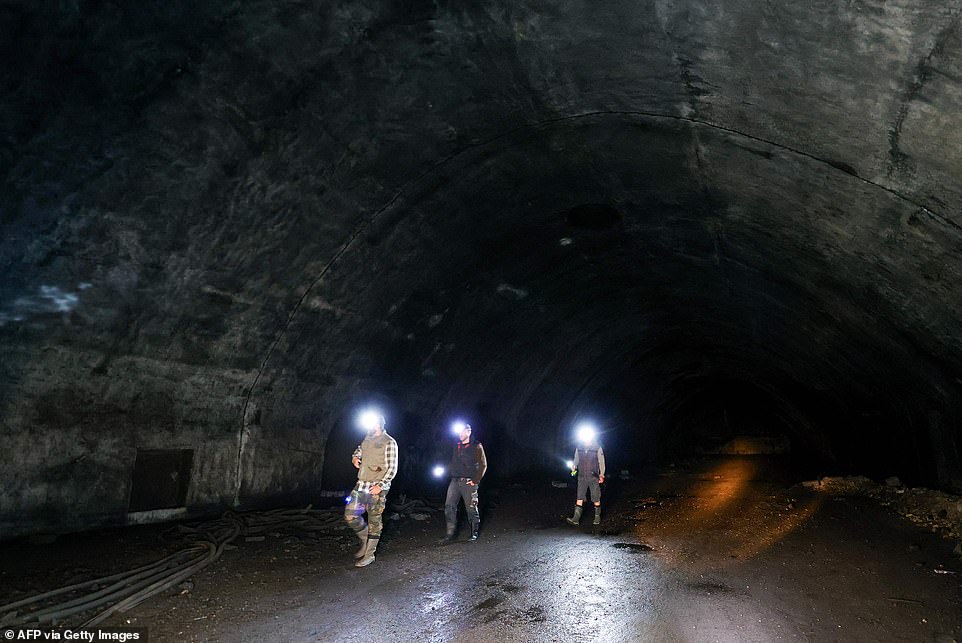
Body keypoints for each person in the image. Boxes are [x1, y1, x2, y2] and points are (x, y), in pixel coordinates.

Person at [345, 413, 398, 567]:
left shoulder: (389, 442)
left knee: (374, 520)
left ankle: (369, 555)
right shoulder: (367, 438)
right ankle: (364, 539)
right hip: (362, 484)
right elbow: (359, 450)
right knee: (350, 515)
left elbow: (392, 469)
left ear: (378, 425)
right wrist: (355, 457)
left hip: (377, 487)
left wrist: (380, 486)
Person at [439, 422, 487, 544]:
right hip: (455, 481)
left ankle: (474, 533)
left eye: (462, 431)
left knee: (471, 507)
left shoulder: (476, 446)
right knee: (449, 506)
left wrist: (476, 480)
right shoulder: (457, 445)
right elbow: (453, 461)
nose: (459, 434)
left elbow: (483, 464)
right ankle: (450, 534)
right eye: (458, 432)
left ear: (468, 432)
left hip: (468, 482)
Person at [566, 431, 606, 526]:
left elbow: (601, 462)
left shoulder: (597, 448)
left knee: (596, 497)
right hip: (582, 477)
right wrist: (574, 466)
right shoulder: (579, 447)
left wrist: (602, 474)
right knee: (580, 496)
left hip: (593, 477)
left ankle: (597, 517)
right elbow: (576, 459)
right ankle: (576, 518)